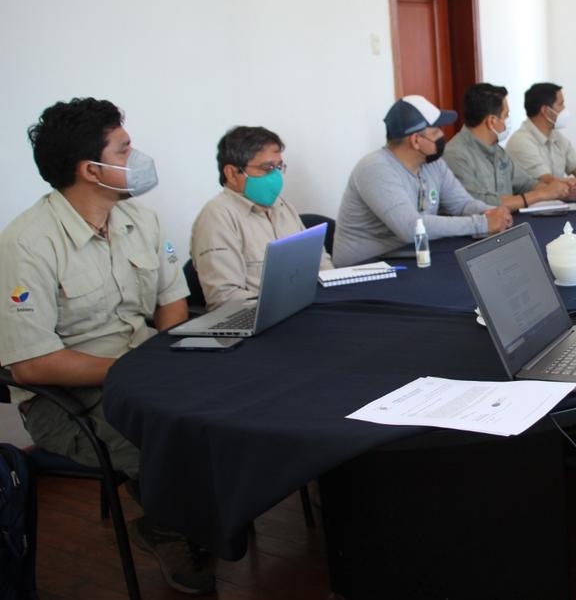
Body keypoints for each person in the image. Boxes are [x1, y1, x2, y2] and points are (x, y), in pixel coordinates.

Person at [0, 98, 216, 594]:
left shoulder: (141, 219)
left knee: (223, 405)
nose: (136, 157)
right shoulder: (27, 244)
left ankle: (199, 515)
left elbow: (171, 300)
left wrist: (162, 357)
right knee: (167, 435)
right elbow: (31, 365)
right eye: (124, 149)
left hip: (144, 366)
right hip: (66, 395)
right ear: (90, 170)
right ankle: (171, 527)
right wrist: (137, 369)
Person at [333, 95, 513, 266]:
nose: (442, 134)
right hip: (365, 269)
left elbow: (461, 204)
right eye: (435, 132)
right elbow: (411, 228)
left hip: (412, 257)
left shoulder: (433, 163)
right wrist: (481, 224)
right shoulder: (375, 168)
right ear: (416, 140)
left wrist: (491, 212)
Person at [190, 126, 333, 310]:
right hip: (259, 316)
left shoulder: (281, 206)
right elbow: (225, 298)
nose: (276, 175)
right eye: (267, 168)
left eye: (278, 167)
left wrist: (332, 288)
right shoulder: (217, 217)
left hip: (307, 306)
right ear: (232, 174)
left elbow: (319, 260)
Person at [444, 83, 576, 210]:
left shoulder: (498, 151)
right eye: (506, 115)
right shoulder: (455, 155)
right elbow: (478, 203)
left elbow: (526, 184)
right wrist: (541, 194)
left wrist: (557, 190)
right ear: (492, 121)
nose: (508, 120)